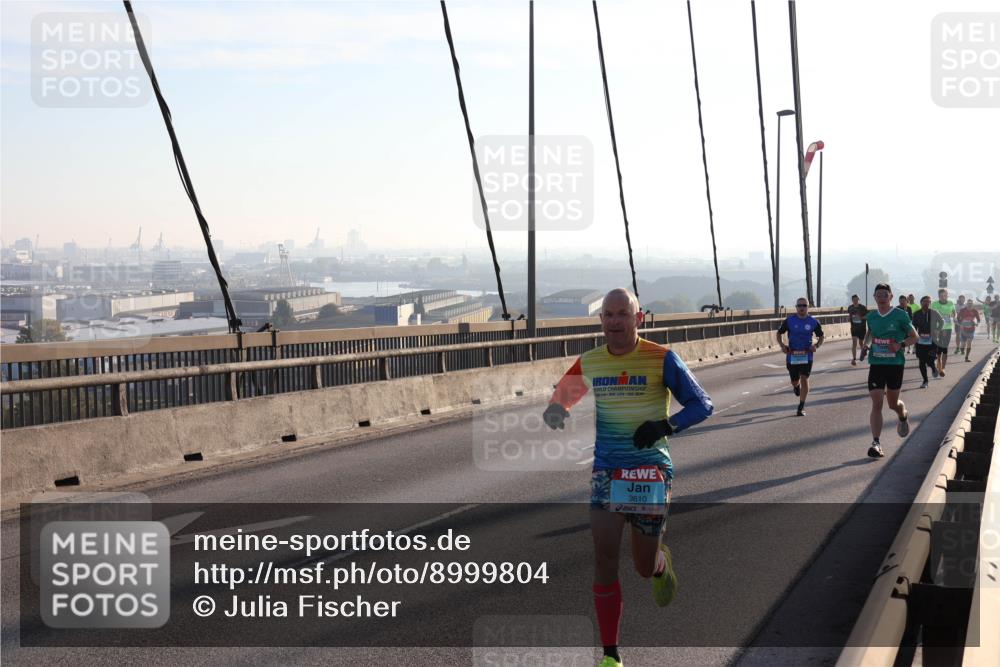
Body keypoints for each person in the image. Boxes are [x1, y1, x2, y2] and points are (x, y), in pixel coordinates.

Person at [543, 288, 713, 667]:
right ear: (601, 320)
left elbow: (703, 404)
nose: (615, 321)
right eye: (608, 314)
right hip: (607, 471)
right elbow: (560, 399)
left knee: (640, 566)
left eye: (623, 314)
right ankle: (610, 655)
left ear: (640, 319)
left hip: (650, 473)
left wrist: (664, 425)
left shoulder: (662, 359)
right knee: (604, 559)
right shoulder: (591, 361)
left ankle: (659, 566)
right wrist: (556, 412)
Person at [860, 283, 918, 458]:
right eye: (878, 295)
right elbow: (870, 333)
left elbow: (914, 337)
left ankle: (903, 415)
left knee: (893, 404)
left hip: (895, 365)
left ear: (891, 297)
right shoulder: (871, 317)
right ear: (875, 297)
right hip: (877, 364)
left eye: (885, 294)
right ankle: (876, 443)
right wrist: (865, 345)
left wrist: (900, 344)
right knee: (877, 403)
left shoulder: (900, 315)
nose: (882, 297)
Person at [776, 298, 825, 416]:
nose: (802, 308)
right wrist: (782, 346)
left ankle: (801, 406)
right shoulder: (789, 320)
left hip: (807, 355)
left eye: (804, 305)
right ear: (796, 307)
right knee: (794, 381)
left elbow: (821, 336)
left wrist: (816, 345)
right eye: (799, 305)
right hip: (792, 355)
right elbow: (779, 333)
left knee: (805, 379)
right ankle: (796, 386)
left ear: (808, 307)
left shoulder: (813, 322)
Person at [911, 296, 943, 388]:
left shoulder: (934, 312)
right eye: (925, 302)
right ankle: (925, 381)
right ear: (921, 303)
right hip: (920, 340)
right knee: (921, 361)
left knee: (930, 360)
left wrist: (937, 330)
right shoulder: (916, 314)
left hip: (932, 340)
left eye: (928, 302)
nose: (926, 303)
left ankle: (933, 368)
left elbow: (941, 322)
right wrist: (914, 337)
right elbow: (913, 326)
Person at [930, 289, 956, 377]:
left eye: (945, 295)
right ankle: (939, 367)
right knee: (939, 350)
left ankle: (943, 368)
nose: (943, 297)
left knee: (945, 349)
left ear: (947, 295)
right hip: (938, 329)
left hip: (948, 328)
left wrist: (953, 317)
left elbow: (954, 312)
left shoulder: (951, 303)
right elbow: (931, 316)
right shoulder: (934, 304)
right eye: (941, 296)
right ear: (938, 296)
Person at [956, 298, 981, 362]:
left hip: (971, 329)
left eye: (971, 303)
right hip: (963, 329)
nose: (969, 305)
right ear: (966, 304)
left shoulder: (975, 311)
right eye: (968, 303)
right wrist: (960, 324)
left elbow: (978, 319)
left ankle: (966, 357)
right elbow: (958, 318)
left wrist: (977, 323)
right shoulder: (962, 310)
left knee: (969, 343)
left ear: (972, 304)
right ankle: (962, 350)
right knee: (963, 344)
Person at [847, 294, 868, 366]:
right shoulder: (850, 308)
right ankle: (854, 359)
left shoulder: (863, 307)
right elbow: (849, 316)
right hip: (854, 328)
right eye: (854, 300)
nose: (855, 301)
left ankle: (863, 352)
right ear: (852, 300)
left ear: (859, 300)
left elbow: (867, 316)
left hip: (862, 328)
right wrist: (850, 319)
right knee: (854, 342)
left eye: (857, 300)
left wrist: (861, 318)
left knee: (861, 343)